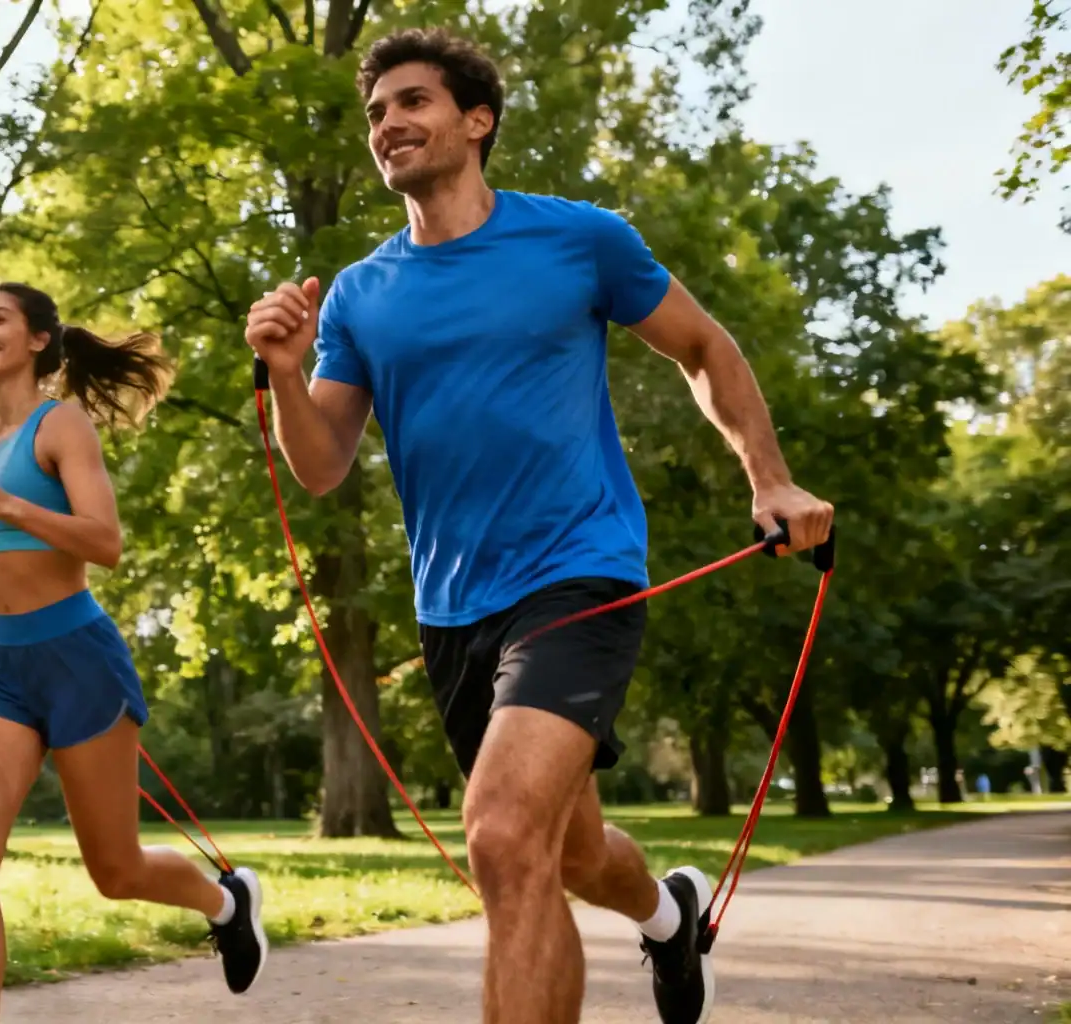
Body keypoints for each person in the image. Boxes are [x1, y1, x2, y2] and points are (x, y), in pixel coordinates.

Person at [242, 28, 834, 1024]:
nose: (390, 123)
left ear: (476, 121)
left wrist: (769, 479)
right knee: (568, 850)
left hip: (580, 574)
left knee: (503, 836)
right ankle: (664, 914)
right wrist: (290, 376)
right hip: (454, 610)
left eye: (413, 102)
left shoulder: (579, 239)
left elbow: (701, 346)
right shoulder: (361, 293)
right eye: (377, 112)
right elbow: (323, 464)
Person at [0, 283, 266, 1024]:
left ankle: (225, 900)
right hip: (3, 671)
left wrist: (8, 502)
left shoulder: (62, 425)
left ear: (38, 340)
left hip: (78, 660)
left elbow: (102, 542)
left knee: (115, 870)